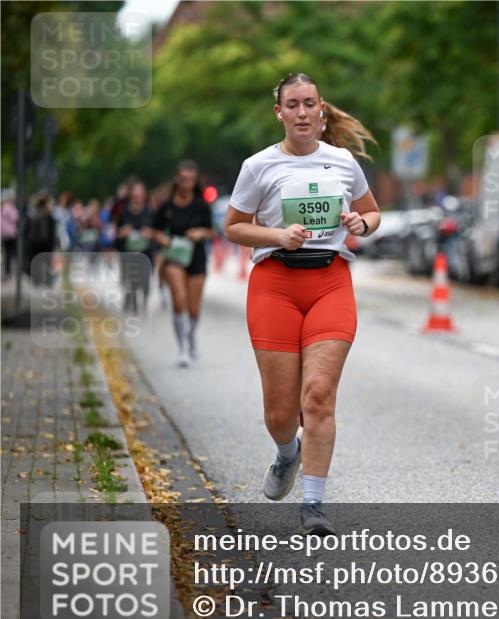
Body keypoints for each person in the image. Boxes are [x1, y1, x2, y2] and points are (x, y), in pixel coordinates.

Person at [223, 72, 380, 535]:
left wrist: (361, 223)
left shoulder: (343, 162)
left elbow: (372, 213)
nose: (302, 113)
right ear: (280, 113)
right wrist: (277, 235)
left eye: (309, 104)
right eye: (292, 105)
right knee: (280, 413)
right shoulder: (258, 167)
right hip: (275, 285)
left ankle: (313, 505)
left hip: (330, 282)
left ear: (322, 108)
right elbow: (233, 227)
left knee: (318, 394)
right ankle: (287, 452)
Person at [153, 160, 214, 367]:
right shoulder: (167, 206)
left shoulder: (201, 205)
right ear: (177, 179)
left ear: (195, 181)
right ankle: (182, 349)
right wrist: (161, 238)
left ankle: (191, 337)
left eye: (191, 179)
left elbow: (211, 231)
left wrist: (200, 233)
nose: (187, 182)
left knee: (194, 308)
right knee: (179, 300)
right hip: (174, 257)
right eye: (183, 178)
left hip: (196, 257)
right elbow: (156, 230)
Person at [115, 181, 157, 313]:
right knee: (132, 278)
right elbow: (117, 232)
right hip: (129, 251)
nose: (137, 196)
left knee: (145, 278)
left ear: (144, 195)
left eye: (140, 194)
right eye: (135, 194)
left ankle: (144, 301)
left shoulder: (150, 212)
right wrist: (124, 232)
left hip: (146, 251)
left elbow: (157, 232)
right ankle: (132, 305)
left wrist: (150, 233)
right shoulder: (124, 212)